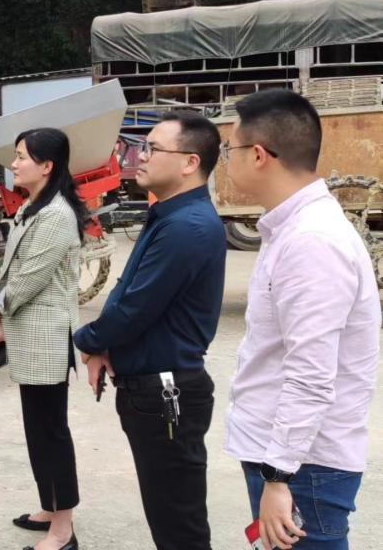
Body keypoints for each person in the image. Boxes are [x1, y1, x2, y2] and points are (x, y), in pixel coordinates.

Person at [222, 89, 380, 550]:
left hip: (303, 468)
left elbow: (311, 373)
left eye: (230, 149)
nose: (225, 161)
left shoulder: (312, 241)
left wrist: (278, 475)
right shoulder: (293, 229)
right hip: (290, 458)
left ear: (258, 155)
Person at [73, 110, 225, 550]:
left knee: (179, 527)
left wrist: (87, 340)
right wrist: (103, 345)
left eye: (152, 148)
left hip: (167, 392)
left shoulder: (187, 226)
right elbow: (128, 290)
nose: (139, 156)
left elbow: (135, 308)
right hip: (151, 390)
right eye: (142, 147)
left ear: (190, 163)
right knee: (167, 516)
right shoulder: (169, 215)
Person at [0, 129, 85, 550]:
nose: (14, 164)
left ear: (47, 166)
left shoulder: (56, 215)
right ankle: (51, 506)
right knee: (38, 429)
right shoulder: (33, 207)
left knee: (50, 432)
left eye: (22, 156)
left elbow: (28, 279)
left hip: (47, 337)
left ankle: (63, 531)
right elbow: (11, 269)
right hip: (30, 335)